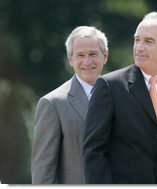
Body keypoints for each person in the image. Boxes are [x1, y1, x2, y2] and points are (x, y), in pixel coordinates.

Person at [83, 11, 157, 184]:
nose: (139, 47)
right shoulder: (109, 86)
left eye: (148, 41)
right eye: (137, 40)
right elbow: (94, 152)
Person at [31, 26, 108, 184]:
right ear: (70, 59)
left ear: (105, 56)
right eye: (80, 55)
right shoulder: (52, 104)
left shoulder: (120, 95)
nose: (87, 61)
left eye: (93, 54)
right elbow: (43, 171)